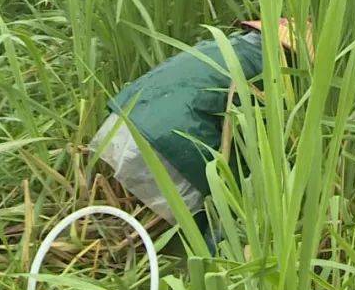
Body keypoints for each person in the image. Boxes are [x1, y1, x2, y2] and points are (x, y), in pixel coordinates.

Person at [92, 18, 310, 224]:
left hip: (120, 125)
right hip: (166, 145)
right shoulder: (272, 71)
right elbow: (258, 148)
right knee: (234, 210)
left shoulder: (219, 47)